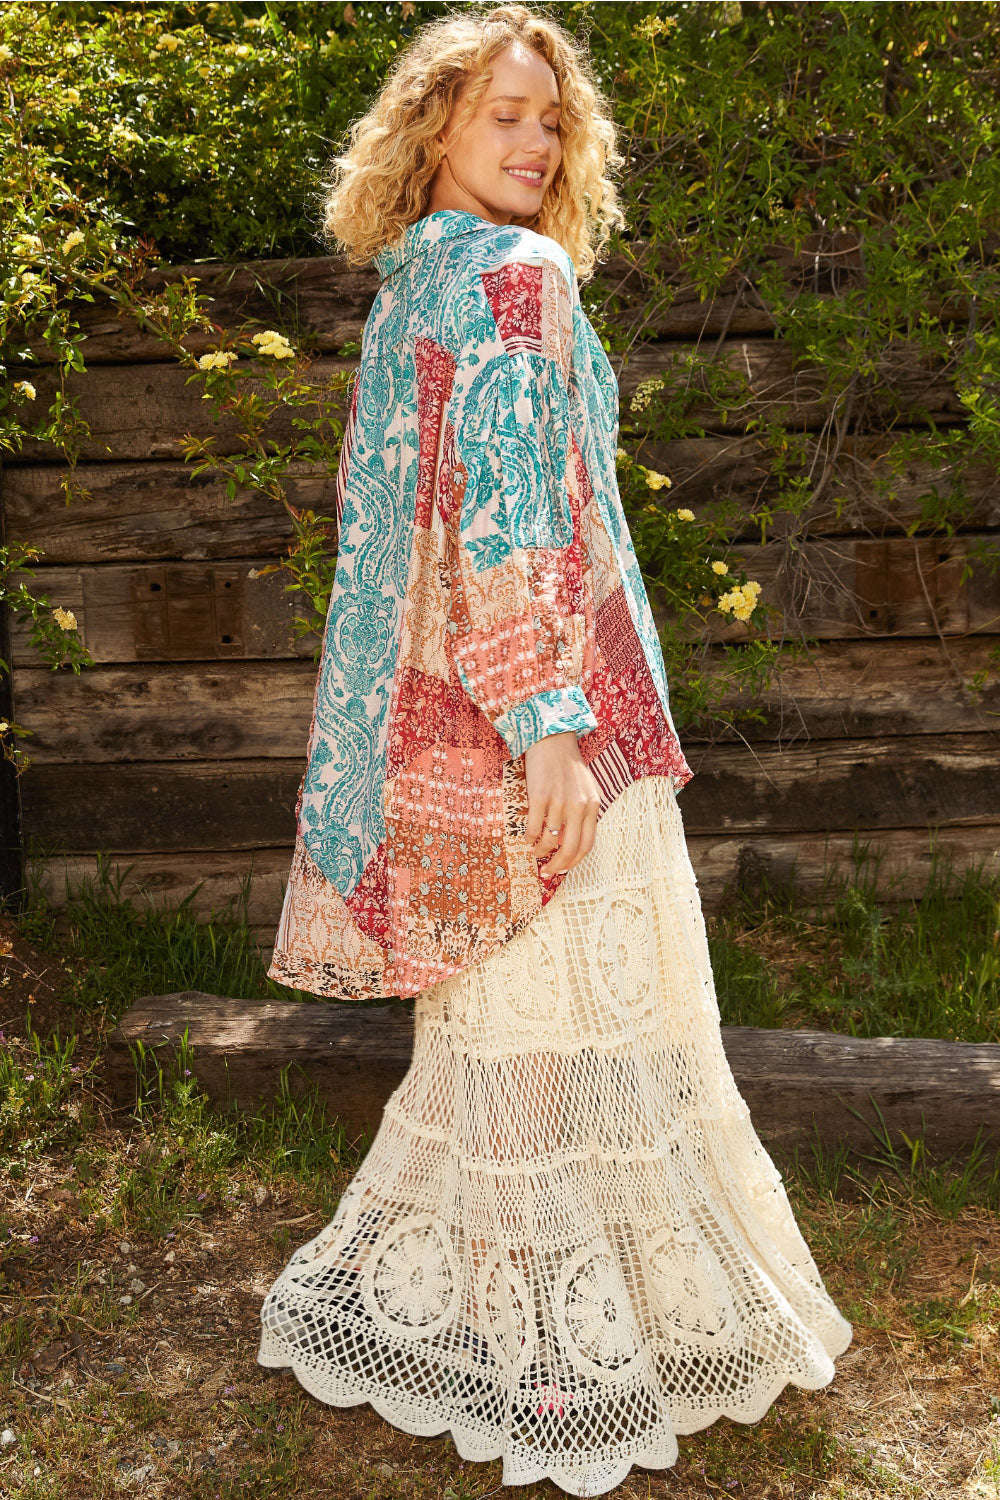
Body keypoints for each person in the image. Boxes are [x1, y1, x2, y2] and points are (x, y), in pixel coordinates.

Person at [257, 6, 853, 1494]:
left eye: (549, 120)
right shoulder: (511, 280)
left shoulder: (417, 288)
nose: (533, 143)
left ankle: (522, 1334)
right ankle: (559, 1362)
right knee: (582, 1031)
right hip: (543, 725)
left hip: (432, 738)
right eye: (503, 115)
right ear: (435, 130)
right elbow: (511, 517)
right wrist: (552, 734)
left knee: (513, 1037)